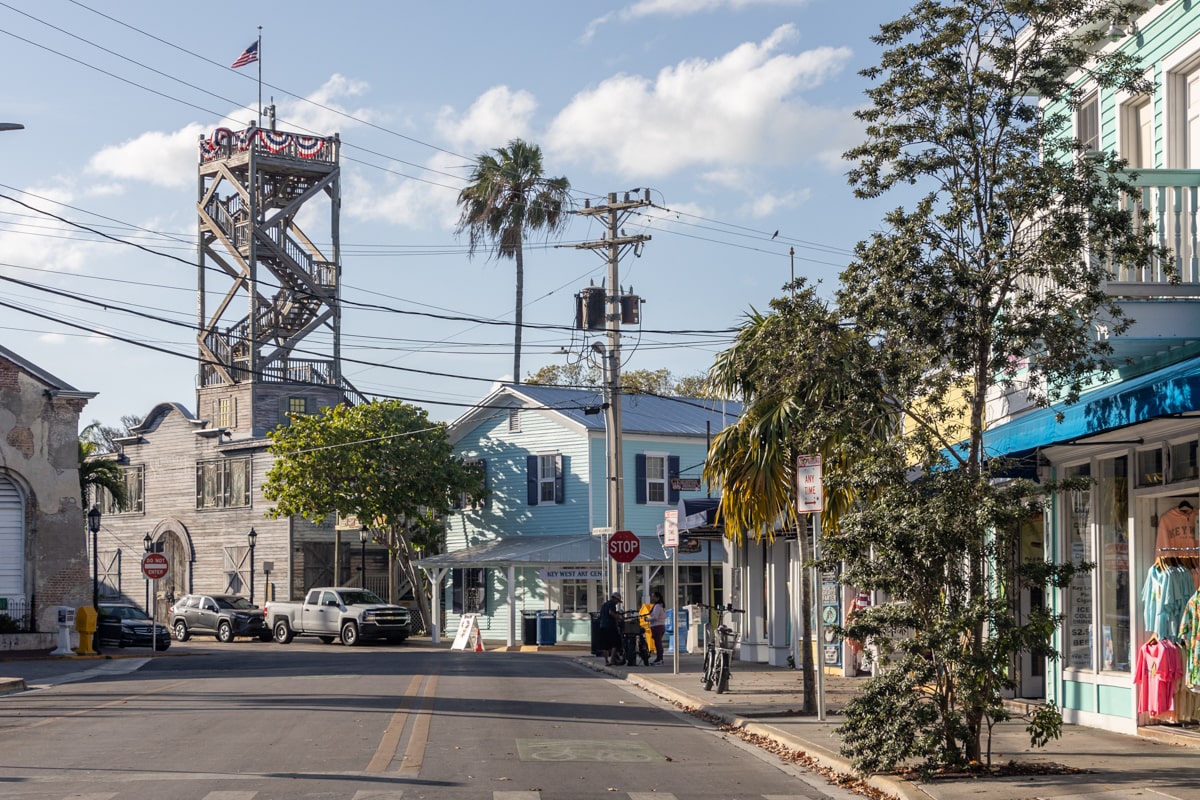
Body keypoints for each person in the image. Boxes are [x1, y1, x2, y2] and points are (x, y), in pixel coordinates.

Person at [598, 591, 623, 666]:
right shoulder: (612, 604)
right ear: (615, 599)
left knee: (605, 645)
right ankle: (612, 660)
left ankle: (606, 661)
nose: (617, 603)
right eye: (617, 601)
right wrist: (619, 617)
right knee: (614, 644)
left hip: (602, 626)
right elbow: (611, 613)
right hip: (610, 626)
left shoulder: (604, 605)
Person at [648, 591, 667, 664]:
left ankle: (659, 659)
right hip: (661, 626)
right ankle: (659, 658)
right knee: (658, 643)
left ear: (657, 598)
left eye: (653, 596)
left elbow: (655, 617)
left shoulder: (657, 606)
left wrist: (647, 619)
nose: (652, 598)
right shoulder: (661, 606)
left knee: (658, 644)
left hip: (657, 627)